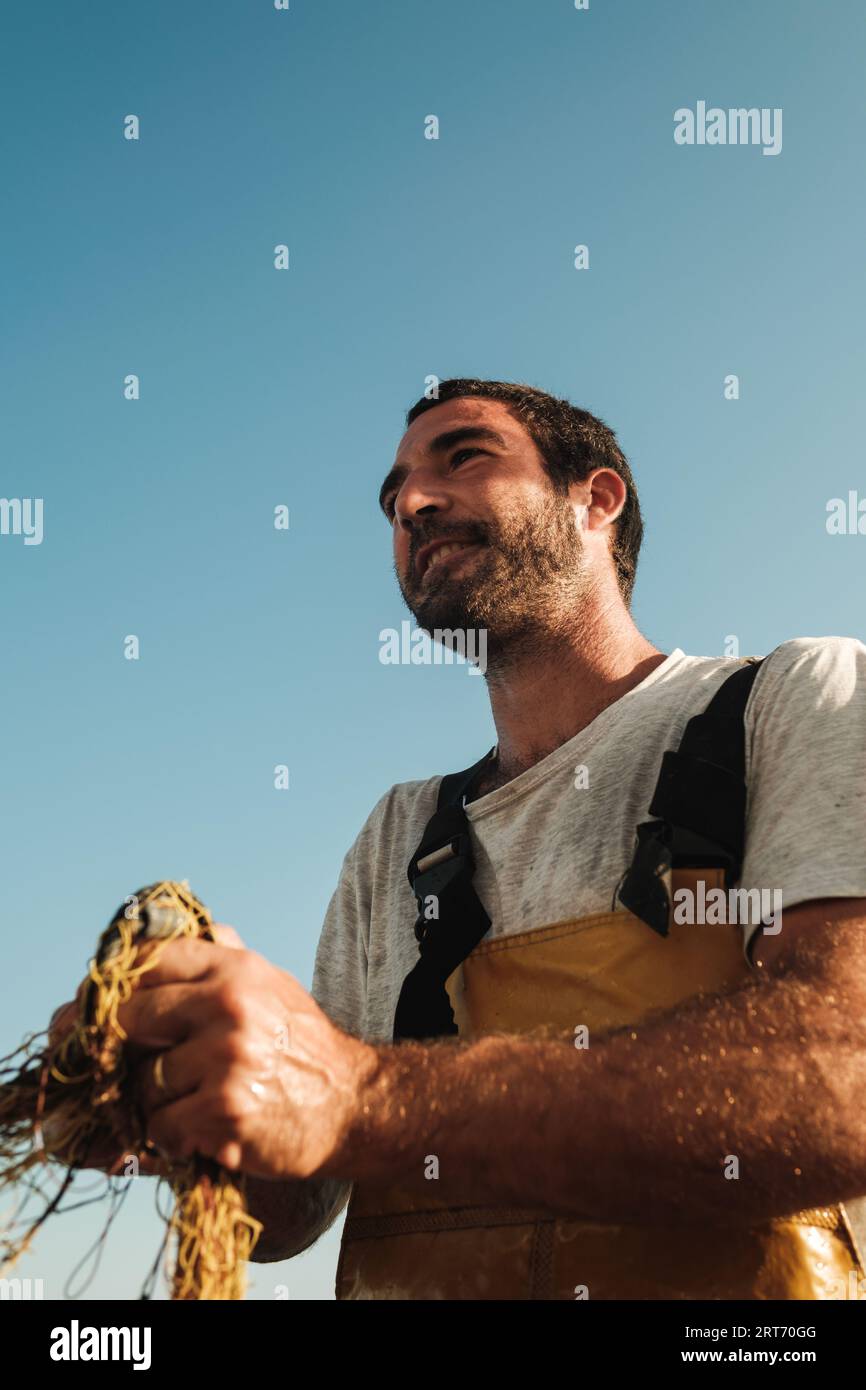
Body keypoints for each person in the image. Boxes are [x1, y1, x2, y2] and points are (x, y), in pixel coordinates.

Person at [52, 379, 866, 1299]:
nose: (411, 502)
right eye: (391, 495)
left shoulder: (794, 701)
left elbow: (846, 1077)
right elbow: (296, 1208)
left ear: (596, 500)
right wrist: (181, 1090)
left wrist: (363, 1094)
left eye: (466, 456)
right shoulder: (401, 833)